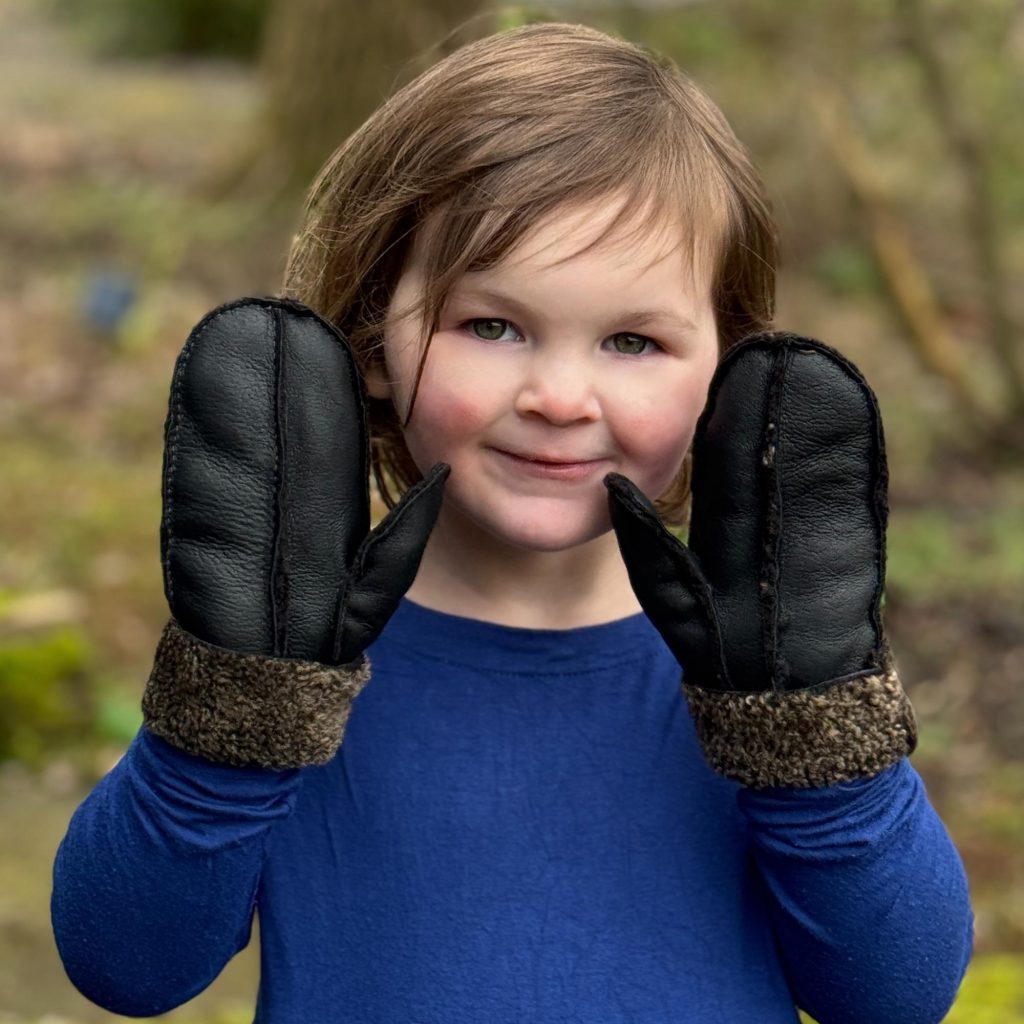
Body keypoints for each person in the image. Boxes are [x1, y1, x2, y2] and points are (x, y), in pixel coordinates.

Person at [51, 21, 974, 1024]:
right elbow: (128, 965)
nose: (560, 397)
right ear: (374, 338)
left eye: (633, 341)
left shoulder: (776, 667)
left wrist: (816, 744)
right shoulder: (286, 654)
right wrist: (234, 711)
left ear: (728, 371)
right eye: (492, 326)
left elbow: (896, 994)